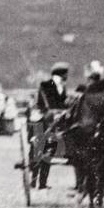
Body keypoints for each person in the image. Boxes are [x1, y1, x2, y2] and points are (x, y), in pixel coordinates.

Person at [32, 61, 70, 189]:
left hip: (57, 118)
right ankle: (34, 180)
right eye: (66, 74)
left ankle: (42, 183)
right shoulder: (45, 85)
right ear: (61, 74)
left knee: (48, 153)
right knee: (39, 150)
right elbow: (46, 103)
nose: (67, 76)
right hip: (45, 118)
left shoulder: (63, 86)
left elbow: (63, 103)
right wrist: (55, 112)